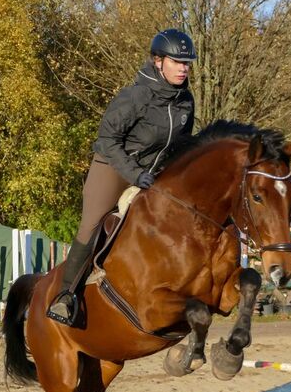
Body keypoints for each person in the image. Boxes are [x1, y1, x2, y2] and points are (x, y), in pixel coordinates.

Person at [47, 28, 197, 325]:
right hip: (113, 167)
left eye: (187, 63)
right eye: (177, 61)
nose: (183, 68)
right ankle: (65, 296)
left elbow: (181, 145)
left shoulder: (185, 101)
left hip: (152, 175)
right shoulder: (134, 96)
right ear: (158, 61)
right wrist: (134, 173)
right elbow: (106, 141)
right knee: (92, 224)